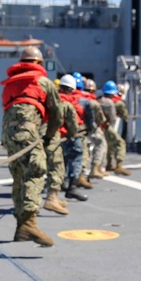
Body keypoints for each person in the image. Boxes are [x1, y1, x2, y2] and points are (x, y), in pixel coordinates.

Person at [1, 45, 62, 247]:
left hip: (8, 134)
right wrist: (48, 136)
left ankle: (21, 227)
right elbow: (57, 114)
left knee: (19, 176)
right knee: (36, 171)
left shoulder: (9, 85)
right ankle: (29, 223)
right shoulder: (44, 82)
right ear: (39, 63)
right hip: (29, 132)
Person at [56, 74, 88, 204]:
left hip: (57, 136)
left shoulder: (54, 100)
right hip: (70, 135)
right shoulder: (71, 103)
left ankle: (62, 184)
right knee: (76, 157)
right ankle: (72, 187)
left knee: (60, 161)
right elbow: (73, 121)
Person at [99, 80, 132, 175]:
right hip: (107, 126)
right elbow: (124, 116)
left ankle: (109, 163)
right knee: (120, 143)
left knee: (109, 144)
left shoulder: (100, 100)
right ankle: (119, 166)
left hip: (100, 126)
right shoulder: (118, 103)